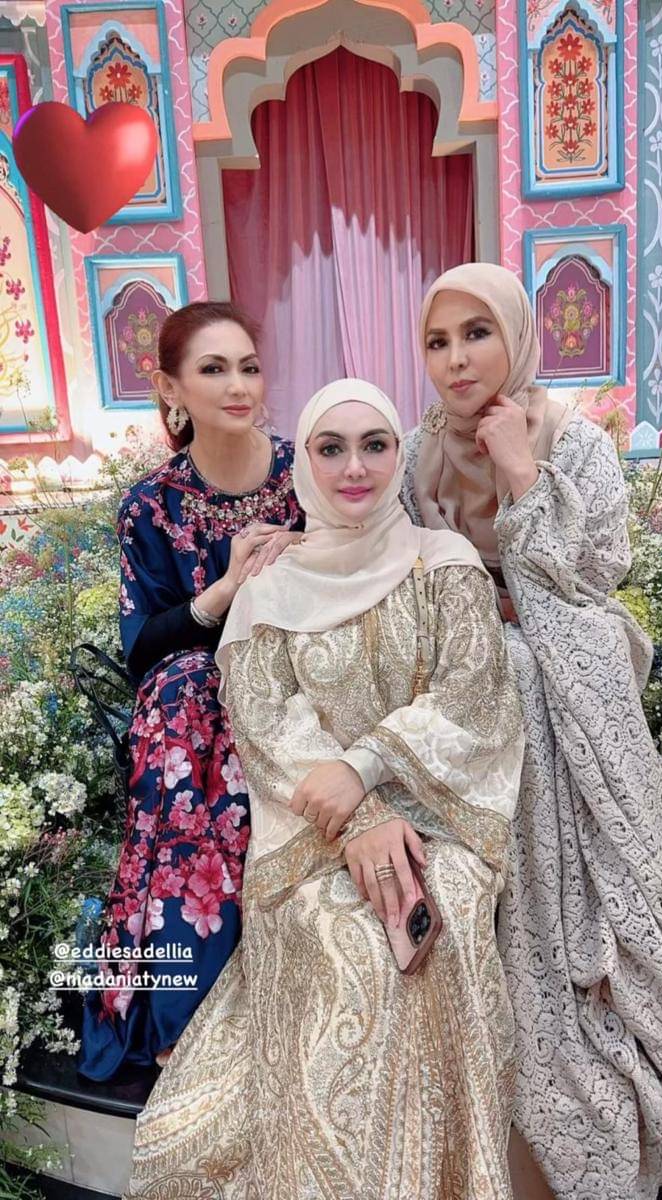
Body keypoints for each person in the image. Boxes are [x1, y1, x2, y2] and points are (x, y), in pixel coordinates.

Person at [124, 378, 524, 1200]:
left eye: (375, 445)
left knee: (440, 919)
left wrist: (368, 769)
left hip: (441, 815)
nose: (355, 468)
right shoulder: (273, 587)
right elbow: (266, 724)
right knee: (350, 947)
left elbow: (473, 700)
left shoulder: (443, 564)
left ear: (399, 454)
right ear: (303, 461)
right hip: (311, 835)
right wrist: (356, 817)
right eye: (330, 449)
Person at [403, 262, 662, 1200]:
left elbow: (592, 580)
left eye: (477, 333)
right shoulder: (419, 453)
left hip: (568, 660)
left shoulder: (574, 440)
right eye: (437, 341)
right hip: (470, 667)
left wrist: (520, 469)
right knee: (498, 672)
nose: (456, 359)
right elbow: (412, 588)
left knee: (528, 669)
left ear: (518, 336)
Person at [79, 301, 304, 1081]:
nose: (238, 385)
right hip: (192, 706)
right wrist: (225, 590)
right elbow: (142, 648)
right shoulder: (150, 504)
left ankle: (226, 1002)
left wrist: (307, 558)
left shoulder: (308, 473)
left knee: (209, 696)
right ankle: (192, 1008)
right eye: (214, 369)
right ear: (170, 388)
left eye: (249, 367)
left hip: (300, 675)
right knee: (185, 687)